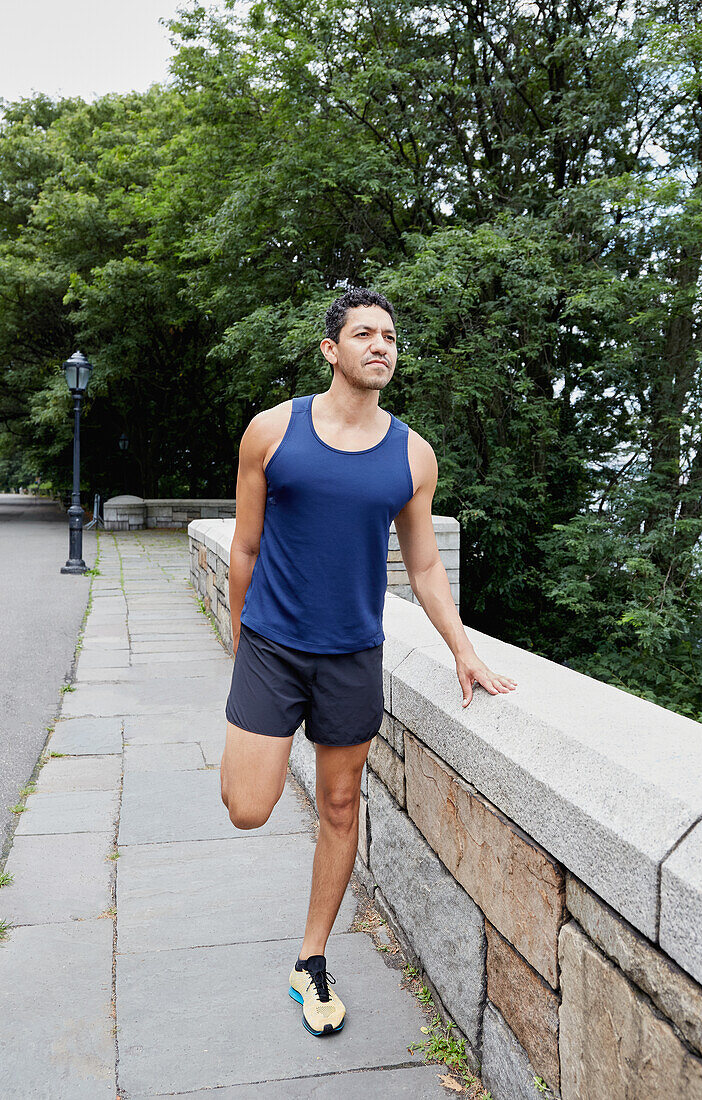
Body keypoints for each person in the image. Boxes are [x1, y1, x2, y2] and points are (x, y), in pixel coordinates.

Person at [220, 287, 517, 1037]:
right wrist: (238, 645)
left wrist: (462, 648)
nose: (380, 345)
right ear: (331, 350)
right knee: (247, 808)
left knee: (342, 804)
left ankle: (310, 959)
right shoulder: (271, 432)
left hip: (353, 655)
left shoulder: (412, 454)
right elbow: (245, 548)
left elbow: (423, 567)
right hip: (271, 647)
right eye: (363, 334)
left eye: (388, 335)